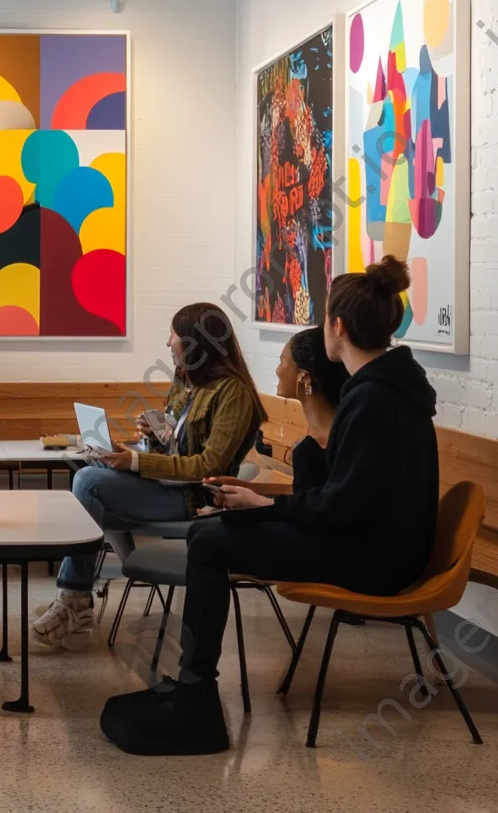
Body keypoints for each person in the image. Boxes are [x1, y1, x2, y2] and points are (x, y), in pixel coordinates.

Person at [100, 257, 440, 757]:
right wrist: (269, 500)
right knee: (211, 535)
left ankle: (196, 698)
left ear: (338, 326)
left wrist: (261, 504)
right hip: (369, 543)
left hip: (376, 560)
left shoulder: (374, 400)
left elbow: (338, 508)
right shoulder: (382, 390)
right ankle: (192, 687)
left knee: (211, 540)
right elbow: (342, 497)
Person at [32, 303, 267, 648]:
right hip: (167, 485)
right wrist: (151, 437)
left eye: (173, 336)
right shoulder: (186, 381)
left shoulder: (234, 394)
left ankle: (74, 599)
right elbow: (176, 446)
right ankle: (77, 597)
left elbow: (207, 466)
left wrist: (135, 463)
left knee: (88, 484)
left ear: (193, 342)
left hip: (196, 498)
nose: (168, 344)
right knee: (93, 471)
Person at [274, 323, 350, 493]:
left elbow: (313, 512)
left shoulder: (317, 449)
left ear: (304, 377)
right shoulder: (340, 432)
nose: (278, 371)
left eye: (282, 362)